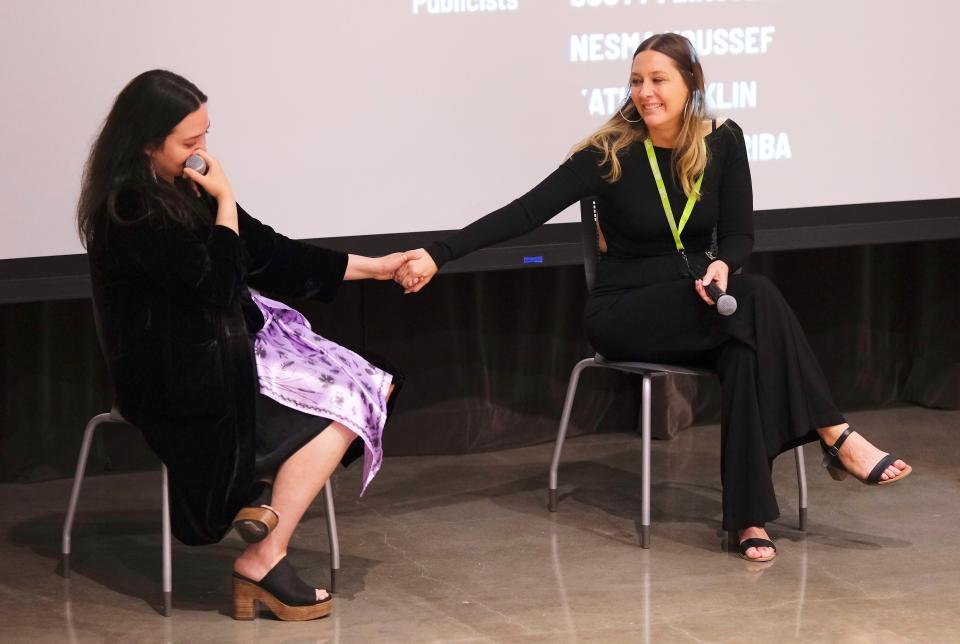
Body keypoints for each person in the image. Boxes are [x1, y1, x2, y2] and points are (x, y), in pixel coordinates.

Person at [395, 34, 911, 562]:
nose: (645, 92)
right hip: (624, 310)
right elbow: (523, 213)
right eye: (637, 80)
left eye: (658, 79)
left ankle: (747, 520)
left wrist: (721, 265)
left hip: (698, 304)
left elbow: (739, 235)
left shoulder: (724, 142)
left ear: (691, 84)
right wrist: (440, 253)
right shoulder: (609, 153)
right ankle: (836, 433)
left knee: (743, 350)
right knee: (759, 298)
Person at [78, 70, 404, 620]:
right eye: (189, 141)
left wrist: (377, 268)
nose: (203, 151)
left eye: (206, 134)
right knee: (347, 402)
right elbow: (217, 285)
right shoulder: (130, 210)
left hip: (219, 349)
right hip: (177, 375)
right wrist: (226, 203)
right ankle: (262, 550)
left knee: (374, 381)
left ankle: (264, 529)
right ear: (146, 144)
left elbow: (272, 253)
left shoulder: (182, 189)